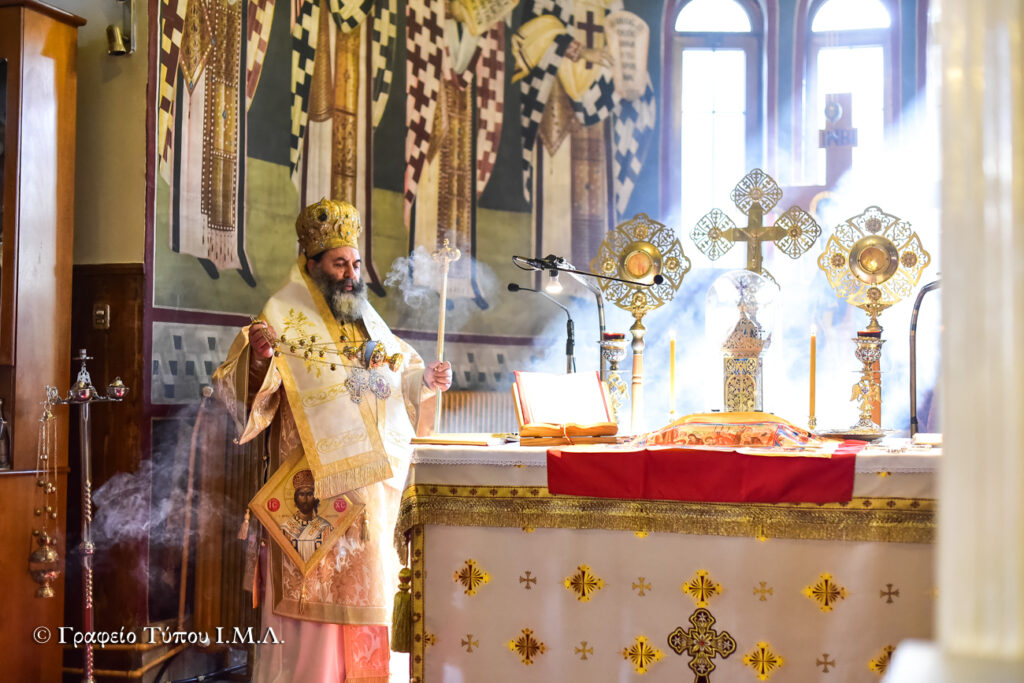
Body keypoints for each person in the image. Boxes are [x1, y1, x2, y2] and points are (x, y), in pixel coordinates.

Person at [213, 198, 452, 682]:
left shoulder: (365, 318)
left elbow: (395, 377)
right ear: (312, 263)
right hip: (313, 494)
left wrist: (425, 380)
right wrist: (260, 359)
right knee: (314, 615)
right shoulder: (282, 316)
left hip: (372, 500)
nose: (350, 273)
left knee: (372, 601)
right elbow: (247, 392)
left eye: (355, 263)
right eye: (340, 264)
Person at [280, 469, 334, 563]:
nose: (305, 498)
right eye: (301, 494)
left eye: (309, 494)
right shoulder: (285, 529)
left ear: (315, 498)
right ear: (296, 499)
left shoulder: (326, 528)